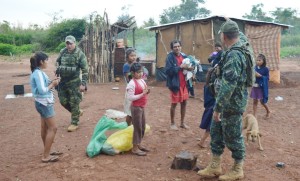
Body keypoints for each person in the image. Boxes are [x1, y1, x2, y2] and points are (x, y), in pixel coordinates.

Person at [198, 19, 249, 180]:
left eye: (221, 34)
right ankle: (215, 165)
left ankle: (237, 168)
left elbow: (228, 85)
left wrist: (218, 108)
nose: (219, 36)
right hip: (223, 101)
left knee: (233, 136)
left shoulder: (234, 55)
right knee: (216, 131)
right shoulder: (239, 42)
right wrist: (229, 21)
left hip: (231, 104)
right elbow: (239, 33)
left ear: (225, 36)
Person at [30, 52, 61, 162]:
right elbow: (43, 90)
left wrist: (53, 81)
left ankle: (46, 151)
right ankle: (46, 156)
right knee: (53, 128)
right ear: (41, 62)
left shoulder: (38, 72)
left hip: (41, 102)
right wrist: (53, 84)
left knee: (45, 128)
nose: (48, 62)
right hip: (44, 103)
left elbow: (43, 86)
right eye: (46, 60)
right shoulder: (38, 73)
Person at [56, 35, 88, 132]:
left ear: (75, 43)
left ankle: (75, 123)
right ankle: (77, 112)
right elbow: (58, 62)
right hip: (63, 81)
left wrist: (83, 83)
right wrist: (57, 70)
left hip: (74, 82)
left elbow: (85, 70)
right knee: (63, 101)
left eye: (71, 43)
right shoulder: (63, 51)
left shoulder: (80, 54)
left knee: (74, 102)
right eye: (67, 43)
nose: (69, 45)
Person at [165, 40, 193, 130]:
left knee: (184, 103)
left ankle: (182, 123)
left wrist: (190, 68)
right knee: (174, 104)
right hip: (175, 84)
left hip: (184, 83)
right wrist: (180, 67)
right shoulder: (169, 57)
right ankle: (172, 123)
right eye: (175, 47)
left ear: (181, 46)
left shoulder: (184, 56)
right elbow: (168, 71)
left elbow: (188, 67)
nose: (177, 48)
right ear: (172, 48)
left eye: (178, 46)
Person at [126, 62, 150, 156]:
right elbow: (130, 98)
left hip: (141, 106)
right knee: (137, 127)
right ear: (132, 73)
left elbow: (143, 91)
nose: (140, 74)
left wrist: (146, 92)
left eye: (141, 72)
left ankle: (138, 144)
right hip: (136, 108)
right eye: (138, 72)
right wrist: (142, 94)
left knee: (142, 126)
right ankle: (135, 148)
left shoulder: (141, 80)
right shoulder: (131, 84)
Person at [198, 70, 216, 148]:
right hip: (212, 108)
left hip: (209, 107)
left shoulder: (206, 85)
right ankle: (202, 141)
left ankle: (205, 141)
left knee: (211, 126)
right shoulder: (213, 87)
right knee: (210, 127)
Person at [250, 53, 271, 118]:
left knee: (262, 102)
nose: (258, 62)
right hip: (255, 86)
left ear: (263, 61)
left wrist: (260, 76)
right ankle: (254, 115)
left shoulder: (266, 69)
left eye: (260, 60)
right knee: (254, 101)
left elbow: (267, 78)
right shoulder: (254, 68)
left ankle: (268, 111)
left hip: (261, 87)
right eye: (257, 60)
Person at [123, 48, 136, 126]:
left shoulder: (135, 64)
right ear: (127, 57)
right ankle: (128, 127)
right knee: (129, 112)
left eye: (134, 55)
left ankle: (134, 128)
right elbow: (129, 79)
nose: (133, 57)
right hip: (130, 89)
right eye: (131, 56)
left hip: (136, 89)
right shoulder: (126, 66)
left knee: (135, 110)